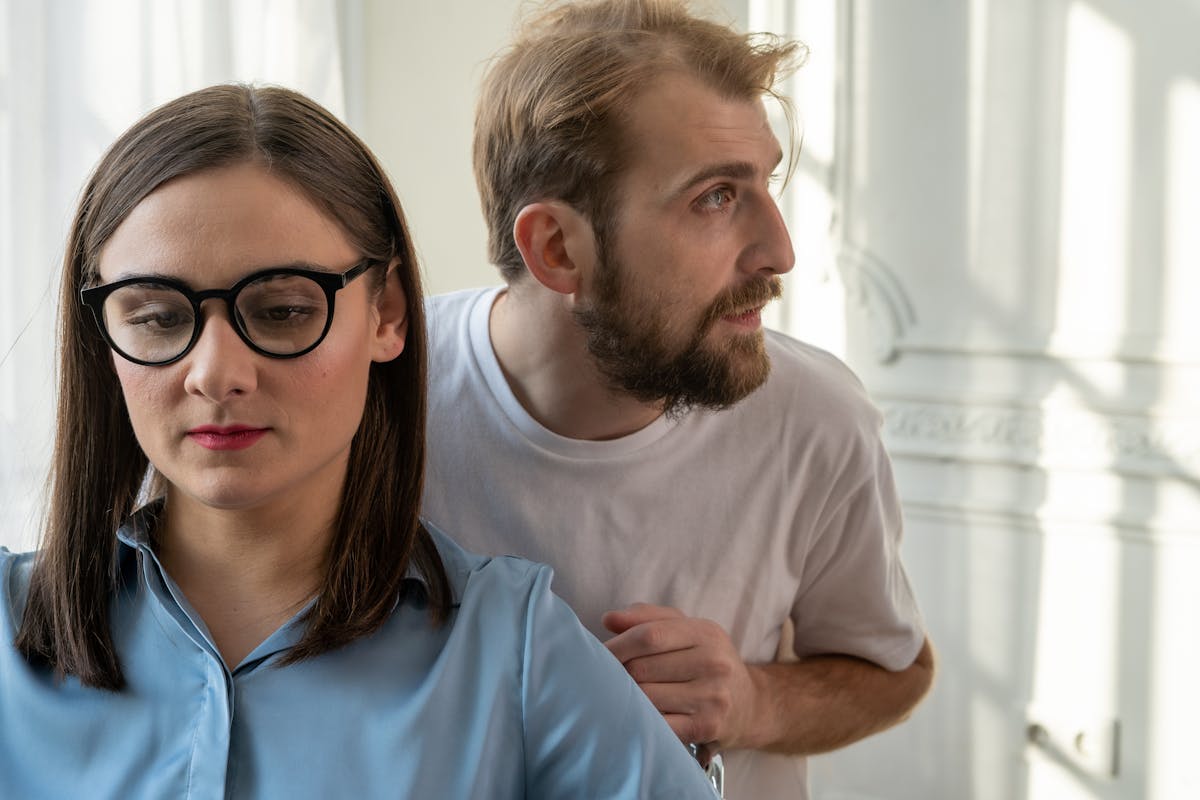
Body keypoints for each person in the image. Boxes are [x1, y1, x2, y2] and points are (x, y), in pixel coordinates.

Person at [0, 83, 718, 799]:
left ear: (388, 314)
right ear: (102, 336)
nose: (216, 374)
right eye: (158, 318)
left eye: (283, 310)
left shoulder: (514, 649)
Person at [420, 1, 936, 797]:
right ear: (557, 248)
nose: (780, 251)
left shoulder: (817, 417)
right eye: (715, 197)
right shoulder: (380, 401)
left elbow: (895, 670)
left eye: (764, 182)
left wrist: (753, 700)